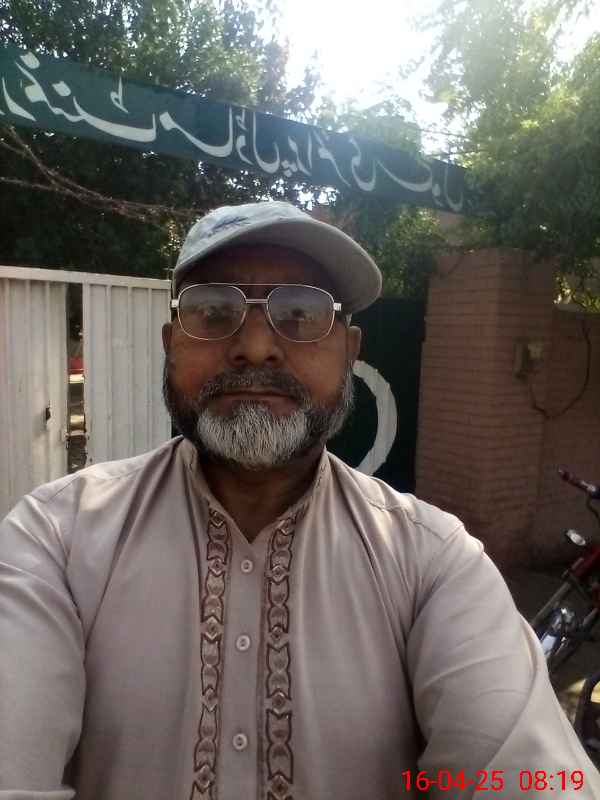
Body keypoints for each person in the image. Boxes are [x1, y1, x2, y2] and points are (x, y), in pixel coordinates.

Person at [0, 200, 597, 800]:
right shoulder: (57, 539)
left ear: (350, 350)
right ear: (170, 343)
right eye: (214, 311)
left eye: (302, 313)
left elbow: (528, 777)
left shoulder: (432, 563)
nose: (257, 346)